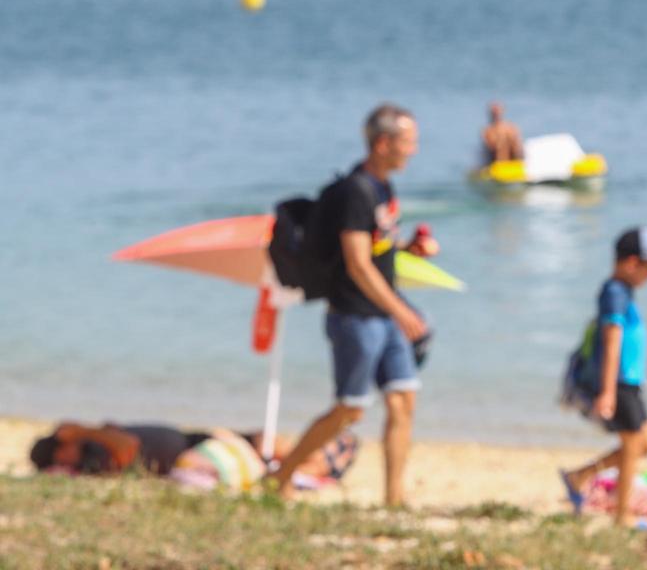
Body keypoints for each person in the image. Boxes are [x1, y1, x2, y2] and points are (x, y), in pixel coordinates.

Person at [267, 104, 436, 506]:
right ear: (383, 143)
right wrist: (401, 310)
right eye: (408, 141)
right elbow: (358, 265)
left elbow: (377, 248)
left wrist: (409, 249)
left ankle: (394, 499)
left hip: (384, 313)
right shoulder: (355, 192)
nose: (413, 150)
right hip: (355, 316)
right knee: (349, 411)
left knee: (402, 401)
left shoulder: (383, 188)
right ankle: (282, 477)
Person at [561, 227, 647, 526]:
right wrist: (608, 391)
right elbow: (612, 340)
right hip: (620, 383)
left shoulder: (622, 292)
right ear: (631, 263)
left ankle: (579, 476)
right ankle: (623, 516)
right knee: (633, 444)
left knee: (645, 442)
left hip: (631, 383)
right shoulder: (614, 293)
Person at [29, 422, 356, 481]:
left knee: (264, 440)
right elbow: (128, 447)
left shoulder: (94, 441)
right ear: (61, 455)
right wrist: (86, 432)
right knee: (261, 454)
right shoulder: (92, 459)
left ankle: (320, 456)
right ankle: (320, 465)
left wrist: (87, 431)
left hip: (193, 439)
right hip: (197, 454)